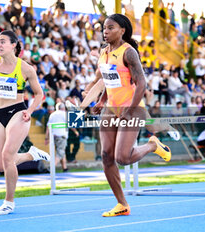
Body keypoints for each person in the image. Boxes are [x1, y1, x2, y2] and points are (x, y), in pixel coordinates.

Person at [90, 14, 172, 217]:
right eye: (104, 28)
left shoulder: (129, 52)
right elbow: (111, 81)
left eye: (110, 28)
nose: (105, 32)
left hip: (132, 108)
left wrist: (129, 110)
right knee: (107, 156)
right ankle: (122, 204)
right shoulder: (104, 53)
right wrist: (101, 100)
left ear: (122, 30)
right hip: (111, 108)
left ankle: (153, 145)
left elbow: (141, 83)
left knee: (122, 157)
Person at [0, 30, 50, 215]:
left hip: (18, 113)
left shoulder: (26, 68)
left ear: (14, 45)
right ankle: (30, 155)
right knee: (0, 165)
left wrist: (30, 110)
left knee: (7, 155)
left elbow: (39, 94)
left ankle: (9, 202)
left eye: (3, 41)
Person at [45, 102, 68, 172]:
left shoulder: (52, 114)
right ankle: (51, 168)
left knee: (61, 151)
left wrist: (46, 137)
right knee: (60, 152)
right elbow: (71, 123)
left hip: (53, 136)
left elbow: (48, 126)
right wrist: (76, 131)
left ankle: (65, 167)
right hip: (62, 135)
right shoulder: (65, 114)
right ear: (63, 108)